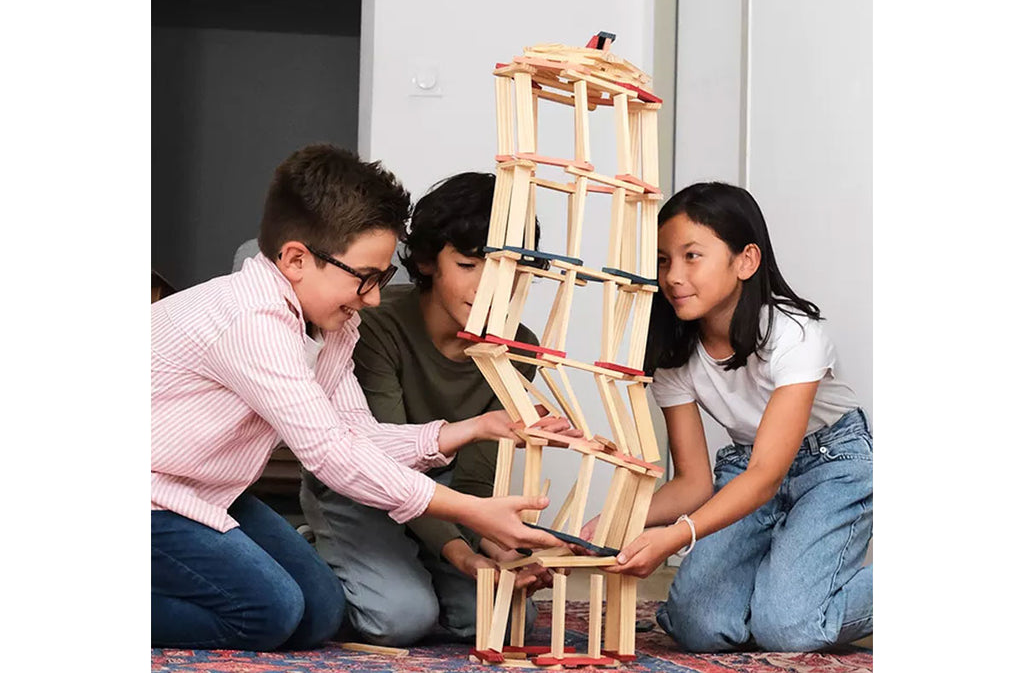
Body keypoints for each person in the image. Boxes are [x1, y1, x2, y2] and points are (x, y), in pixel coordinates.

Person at [151, 144, 567, 652]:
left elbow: (358, 435)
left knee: (320, 613)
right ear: (296, 259)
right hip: (154, 495)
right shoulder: (253, 321)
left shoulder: (335, 323)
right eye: (364, 278)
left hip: (209, 492)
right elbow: (331, 456)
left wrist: (474, 428)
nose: (372, 297)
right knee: (270, 613)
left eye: (382, 278)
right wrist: (472, 513)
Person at [582, 181, 872, 652]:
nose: (673, 275)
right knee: (698, 627)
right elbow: (693, 483)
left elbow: (766, 475)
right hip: (746, 464)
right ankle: (782, 579)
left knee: (788, 628)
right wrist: (617, 522)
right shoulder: (675, 359)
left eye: (691, 256)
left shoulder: (796, 334)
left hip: (831, 464)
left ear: (746, 261)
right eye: (663, 260)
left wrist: (674, 536)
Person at [299, 172, 559, 646]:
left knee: (505, 621)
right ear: (426, 261)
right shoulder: (373, 324)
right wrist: (461, 555)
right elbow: (383, 467)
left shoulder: (520, 347)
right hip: (361, 488)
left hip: (448, 497)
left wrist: (496, 547)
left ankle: (416, 566)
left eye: (512, 269)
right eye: (468, 264)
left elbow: (480, 479)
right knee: (401, 619)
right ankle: (314, 549)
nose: (491, 288)